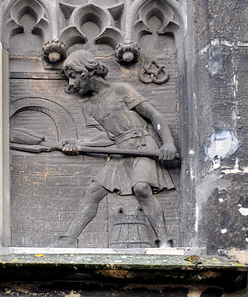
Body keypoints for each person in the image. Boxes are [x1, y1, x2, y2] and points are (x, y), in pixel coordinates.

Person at [53, 49, 177, 248]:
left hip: (142, 145)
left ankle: (164, 240)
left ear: (85, 73)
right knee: (93, 191)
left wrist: (168, 143)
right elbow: (105, 138)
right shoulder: (90, 108)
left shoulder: (121, 90)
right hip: (120, 151)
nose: (72, 85)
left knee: (142, 188)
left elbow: (155, 116)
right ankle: (68, 240)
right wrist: (79, 145)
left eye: (73, 78)